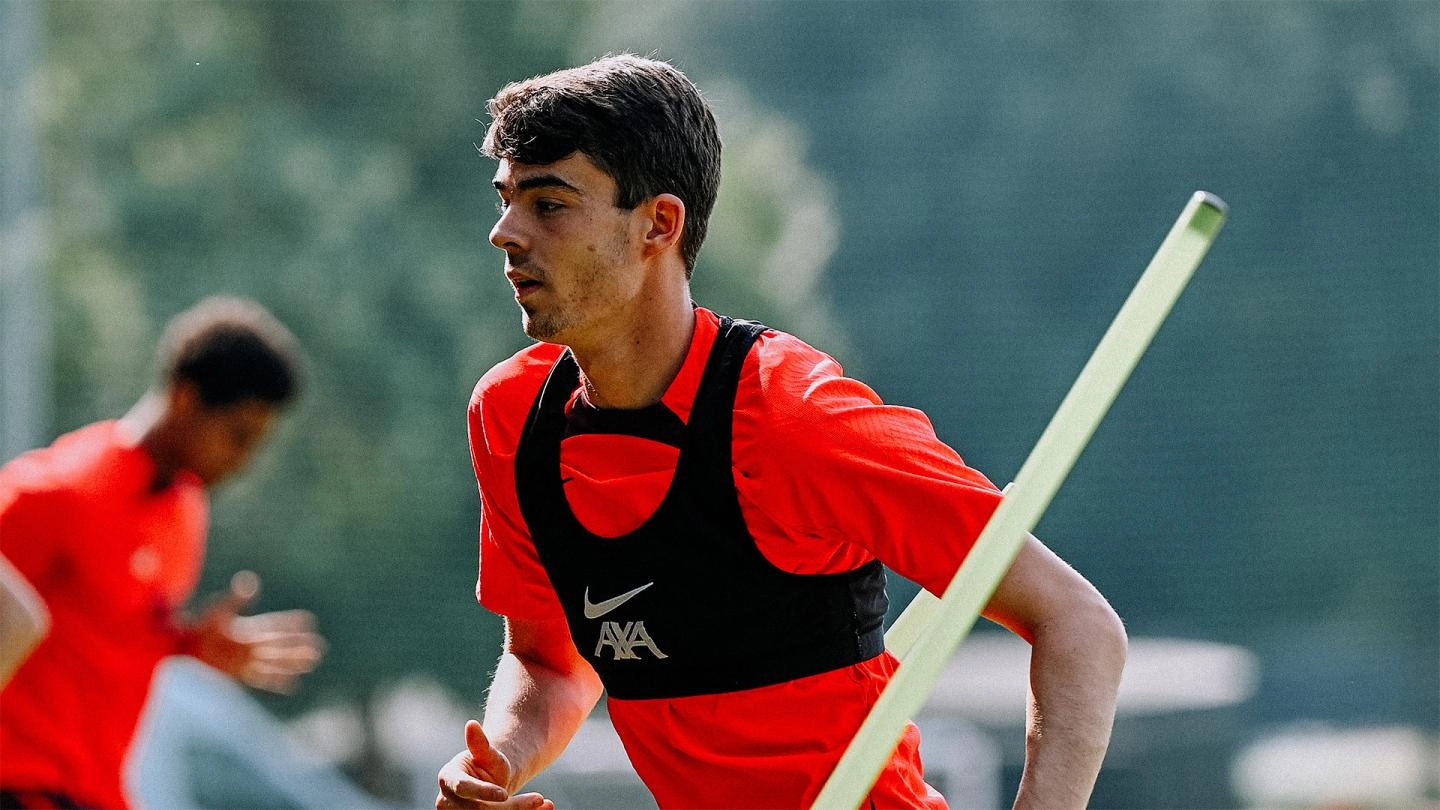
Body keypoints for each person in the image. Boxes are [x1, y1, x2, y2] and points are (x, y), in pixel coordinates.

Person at [437, 54, 1127, 810]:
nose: (505, 233)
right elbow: (551, 661)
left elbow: (1078, 626)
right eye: (506, 200)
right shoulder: (511, 417)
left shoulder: (793, 418)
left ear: (659, 224)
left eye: (549, 203)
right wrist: (498, 759)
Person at [0, 296, 326, 810]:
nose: (243, 462)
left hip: (98, 793)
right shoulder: (59, 491)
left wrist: (188, 646)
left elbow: (107, 627)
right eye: (237, 437)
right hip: (18, 783)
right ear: (184, 398)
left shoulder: (185, 510)